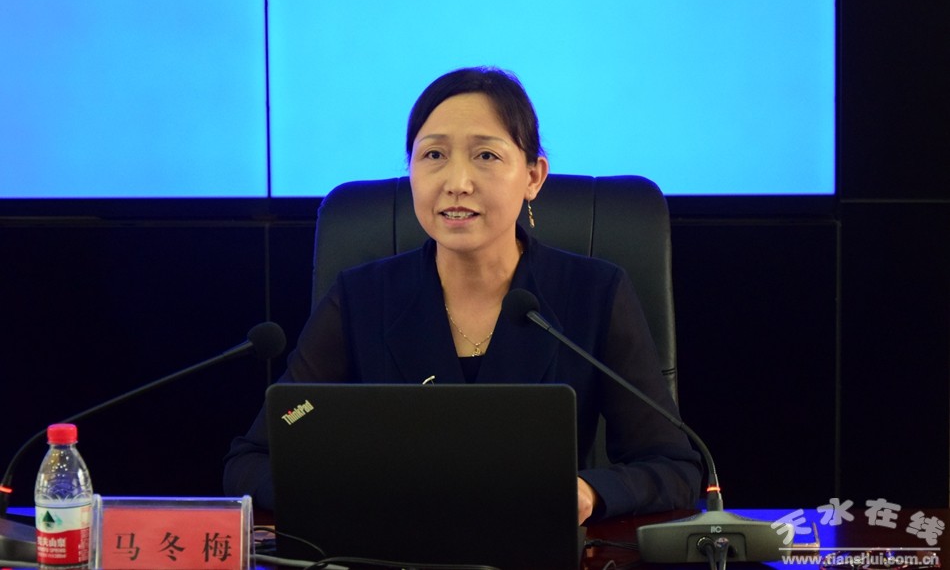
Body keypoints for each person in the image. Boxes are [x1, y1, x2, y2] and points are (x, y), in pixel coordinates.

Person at [223, 66, 701, 524]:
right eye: (433, 155)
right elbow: (253, 460)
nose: (456, 184)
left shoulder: (593, 293)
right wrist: (344, 494)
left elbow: (674, 466)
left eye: (486, 156)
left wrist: (590, 492)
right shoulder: (360, 297)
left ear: (533, 177)